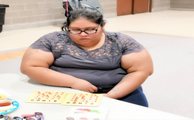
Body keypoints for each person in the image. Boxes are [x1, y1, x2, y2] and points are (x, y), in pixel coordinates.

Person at [20, 8, 153, 107]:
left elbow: (142, 70)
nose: (83, 34)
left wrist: (110, 96)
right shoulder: (53, 40)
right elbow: (30, 67)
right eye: (75, 30)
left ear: (103, 25)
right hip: (63, 90)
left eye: (90, 29)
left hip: (117, 91)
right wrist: (74, 83)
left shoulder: (121, 41)